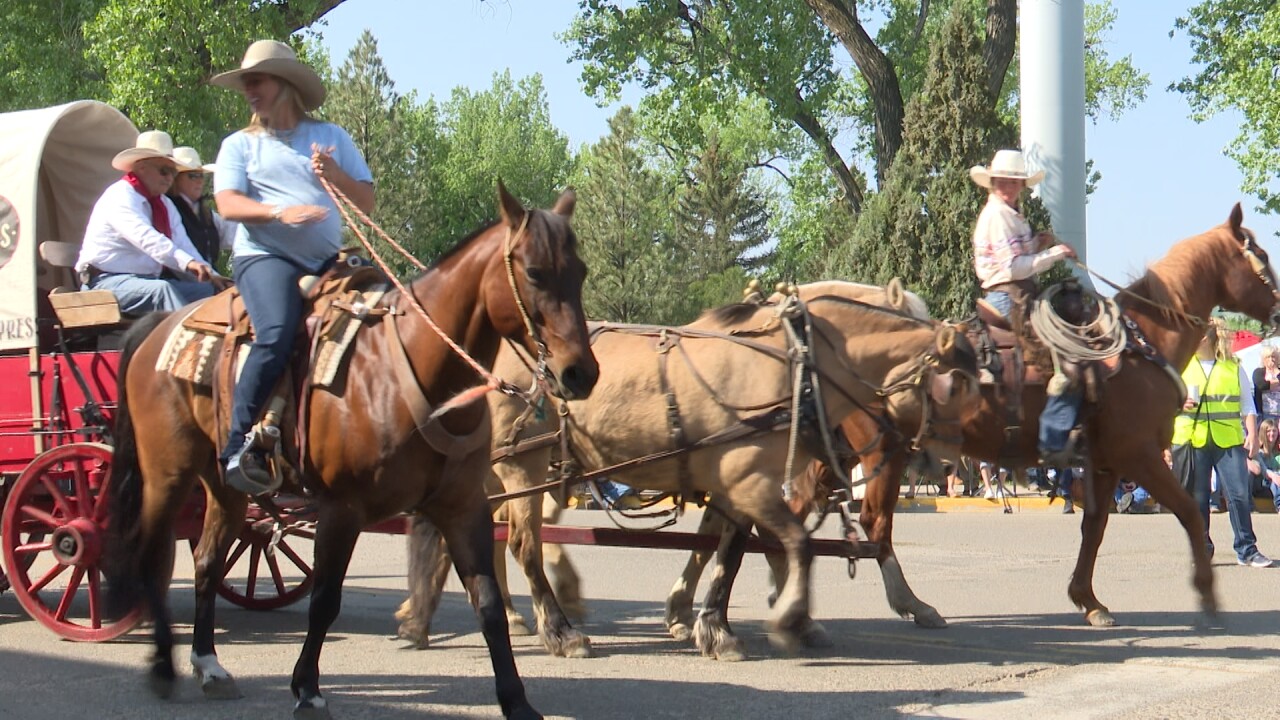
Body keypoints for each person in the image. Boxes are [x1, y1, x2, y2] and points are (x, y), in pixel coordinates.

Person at [211, 39, 374, 494]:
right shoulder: (239, 146)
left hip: (327, 261)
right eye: (246, 82)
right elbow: (226, 203)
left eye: (256, 80)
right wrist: (279, 214)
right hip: (265, 256)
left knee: (380, 318)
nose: (249, 90)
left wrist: (335, 176)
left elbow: (367, 203)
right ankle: (236, 446)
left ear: (283, 83)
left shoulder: (332, 137)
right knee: (277, 331)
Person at [968, 149, 1080, 466]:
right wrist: (1055, 253)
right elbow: (1015, 268)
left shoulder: (1008, 214)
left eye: (1015, 181)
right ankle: (1053, 437)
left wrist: (1037, 244)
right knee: (1067, 356)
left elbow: (1016, 255)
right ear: (994, 182)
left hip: (1013, 293)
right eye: (1004, 181)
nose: (1010, 186)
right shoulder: (999, 216)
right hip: (1009, 297)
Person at [75, 130, 226, 313]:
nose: (169, 178)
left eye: (172, 172)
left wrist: (213, 276)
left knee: (210, 290)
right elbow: (148, 239)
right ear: (141, 167)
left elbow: (182, 244)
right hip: (104, 282)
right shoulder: (120, 196)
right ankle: (184, 339)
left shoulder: (164, 204)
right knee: (162, 291)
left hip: (144, 282)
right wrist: (188, 263)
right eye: (164, 171)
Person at [1170, 320, 1276, 568]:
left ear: (1205, 338)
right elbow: (1163, 400)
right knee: (1198, 498)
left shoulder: (1233, 366)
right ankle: (1202, 549)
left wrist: (1251, 433)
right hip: (1194, 439)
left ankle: (1247, 550)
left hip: (1228, 440)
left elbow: (1247, 404)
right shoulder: (1181, 365)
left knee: (1239, 495)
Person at [167, 147, 238, 267]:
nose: (199, 181)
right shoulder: (169, 209)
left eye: (201, 175)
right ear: (176, 179)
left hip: (208, 278)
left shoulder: (206, 214)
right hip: (182, 279)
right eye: (193, 176)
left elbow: (232, 234)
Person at [1253, 418, 1280, 513]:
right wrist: (1274, 475)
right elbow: (1263, 471)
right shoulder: (1258, 452)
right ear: (1263, 433)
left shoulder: (1277, 453)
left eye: (1274, 431)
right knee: (1276, 477)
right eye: (1268, 431)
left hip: (1275, 484)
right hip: (1261, 485)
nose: (1272, 434)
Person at [1251, 345, 1280, 423]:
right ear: (1263, 359)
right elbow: (1262, 385)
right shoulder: (1258, 372)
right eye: (1268, 357)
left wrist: (1276, 371)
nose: (1271, 360)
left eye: (1273, 357)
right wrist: (1276, 383)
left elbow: (1268, 385)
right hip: (1264, 413)